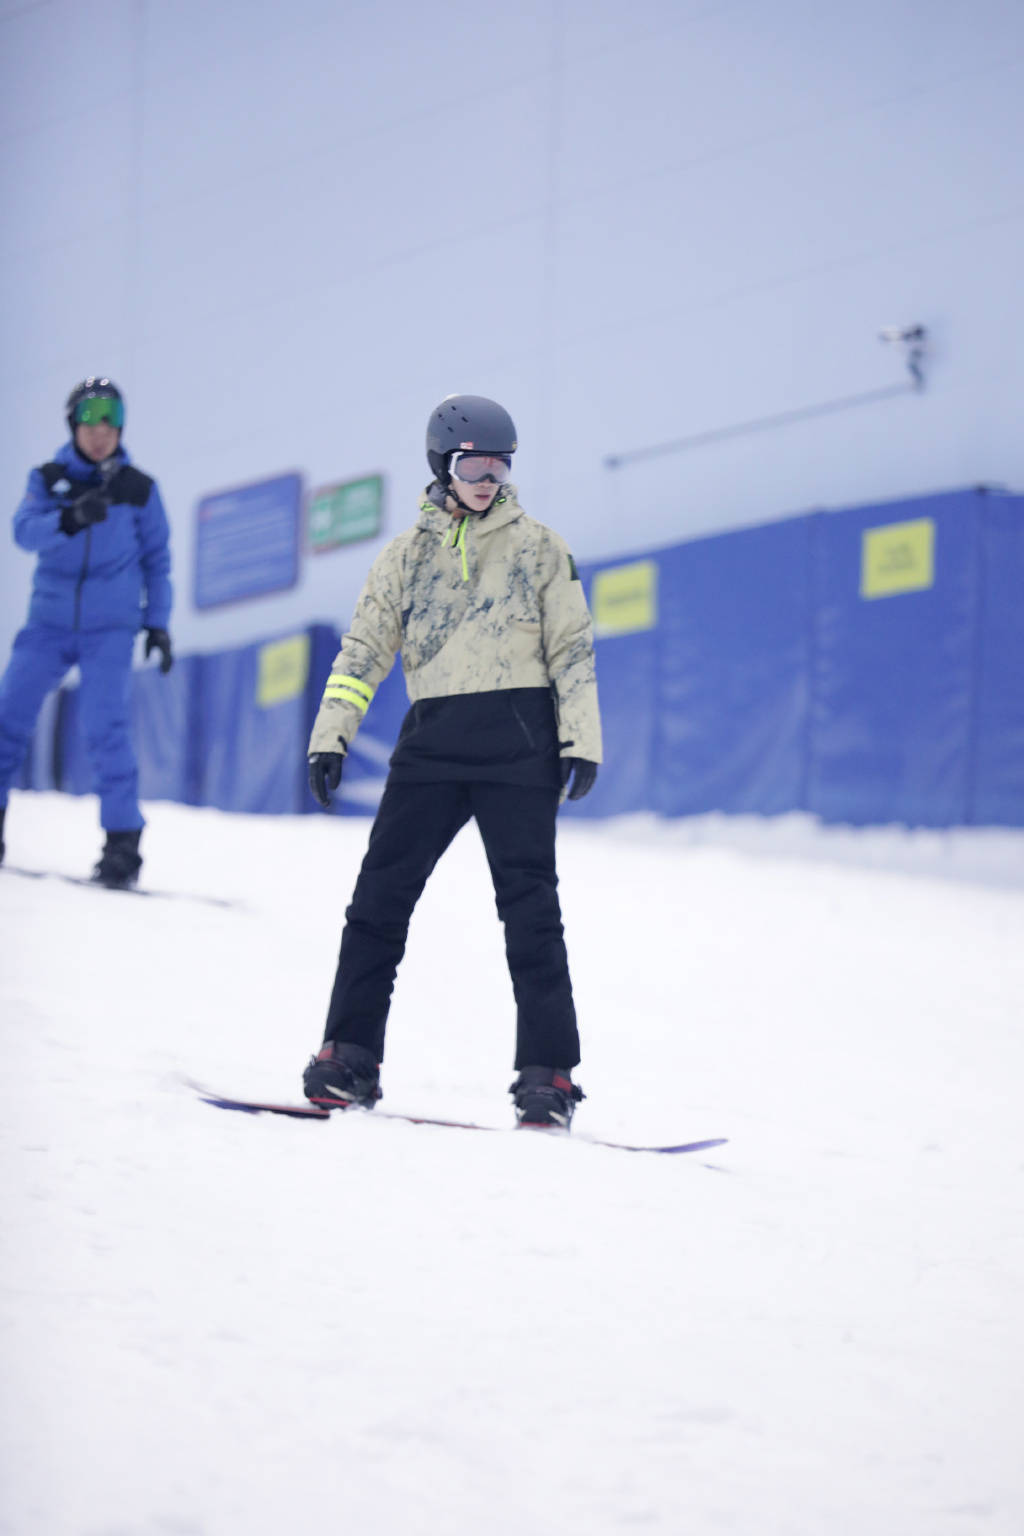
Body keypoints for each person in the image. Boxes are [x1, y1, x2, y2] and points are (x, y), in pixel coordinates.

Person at [303, 394, 601, 1127]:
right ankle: (348, 1058)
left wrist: (581, 740)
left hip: (518, 742)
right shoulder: (405, 556)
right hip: (431, 741)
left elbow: (571, 648)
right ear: (443, 464)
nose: (488, 477)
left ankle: (548, 1078)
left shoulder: (539, 547)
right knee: (378, 902)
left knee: (531, 912)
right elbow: (364, 650)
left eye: (501, 463)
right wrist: (330, 733)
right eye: (474, 463)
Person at [0, 378, 173, 888]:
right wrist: (70, 518)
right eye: (89, 422)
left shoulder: (138, 489)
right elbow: (23, 532)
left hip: (109, 630)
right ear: (73, 425)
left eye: (109, 423)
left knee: (106, 730)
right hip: (47, 624)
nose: (100, 433)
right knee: (7, 721)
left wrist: (158, 622)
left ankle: (122, 846)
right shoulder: (49, 479)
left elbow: (157, 560)